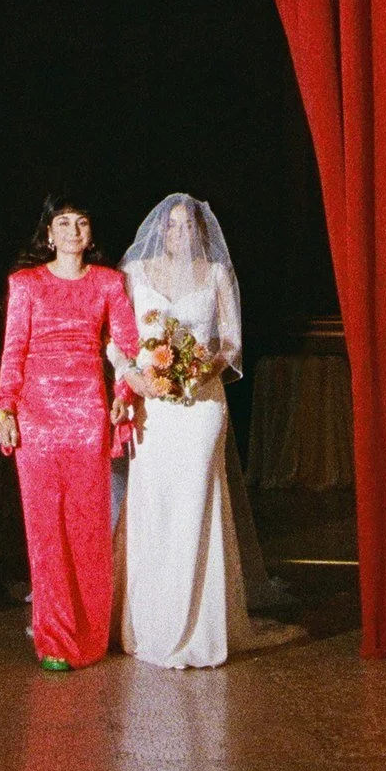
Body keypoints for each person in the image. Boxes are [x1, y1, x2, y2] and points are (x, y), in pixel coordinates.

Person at [110, 193, 292, 668]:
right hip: (152, 404)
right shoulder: (135, 272)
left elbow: (231, 344)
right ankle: (148, 622)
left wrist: (199, 368)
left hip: (201, 405)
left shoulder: (215, 275)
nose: (179, 234)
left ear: (200, 232)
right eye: (171, 226)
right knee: (154, 505)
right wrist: (131, 375)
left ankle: (195, 627)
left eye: (188, 226)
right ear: (160, 231)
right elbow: (115, 338)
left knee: (194, 503)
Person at [0, 196, 139, 671]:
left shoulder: (109, 282)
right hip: (38, 417)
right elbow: (13, 351)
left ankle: (89, 634)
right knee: (46, 531)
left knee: (89, 527)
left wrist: (124, 394)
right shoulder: (25, 284)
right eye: (63, 223)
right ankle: (54, 638)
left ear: (90, 233)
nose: (72, 231)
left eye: (81, 222)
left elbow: (127, 346)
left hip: (87, 413)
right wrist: (4, 407)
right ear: (49, 234)